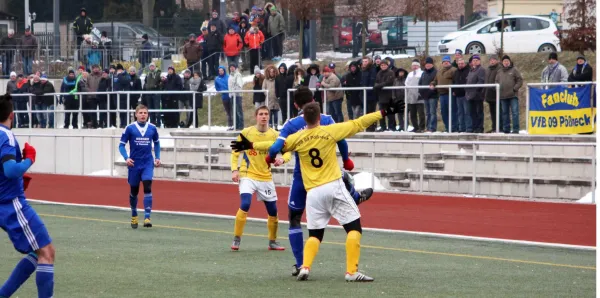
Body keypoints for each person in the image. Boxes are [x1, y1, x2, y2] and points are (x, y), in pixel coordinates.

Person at [231, 98, 399, 282]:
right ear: (319, 117)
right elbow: (359, 123)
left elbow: (275, 146)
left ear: (304, 119)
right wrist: (383, 112)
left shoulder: (297, 138)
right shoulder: (330, 131)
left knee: (315, 235)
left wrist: (254, 146)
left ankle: (305, 267)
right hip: (333, 186)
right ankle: (351, 271)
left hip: (313, 193)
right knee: (354, 228)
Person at [0, 93, 55, 298]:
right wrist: (29, 159)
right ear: (12, 115)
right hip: (11, 204)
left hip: (6, 201)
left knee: (37, 251)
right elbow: (11, 170)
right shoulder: (5, 135)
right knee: (46, 252)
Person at [230, 106, 291, 251]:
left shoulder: (276, 135)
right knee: (245, 203)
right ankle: (236, 239)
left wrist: (282, 160)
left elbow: (287, 152)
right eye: (261, 114)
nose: (264, 116)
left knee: (273, 211)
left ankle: (272, 241)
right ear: (256, 116)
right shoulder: (247, 132)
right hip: (248, 174)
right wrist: (234, 170)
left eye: (266, 114)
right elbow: (235, 151)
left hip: (265, 177)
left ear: (269, 117)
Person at [119, 105, 161, 229]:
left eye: (145, 113)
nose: (143, 115)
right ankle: (134, 214)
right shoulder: (130, 128)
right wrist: (126, 158)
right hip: (134, 164)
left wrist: (157, 157)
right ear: (136, 114)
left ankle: (147, 217)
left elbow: (157, 143)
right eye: (141, 113)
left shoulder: (152, 128)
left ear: (148, 115)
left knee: (148, 186)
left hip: (147, 163)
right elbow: (121, 145)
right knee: (134, 191)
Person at [495, 55, 523, 134]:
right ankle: (506, 129)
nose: (506, 62)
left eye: (507, 61)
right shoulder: (499, 71)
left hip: (513, 95)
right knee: (505, 113)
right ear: (502, 62)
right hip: (503, 96)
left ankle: (515, 129)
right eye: (504, 61)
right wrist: (498, 89)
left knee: (515, 112)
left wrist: (515, 88)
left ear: (509, 62)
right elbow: (496, 81)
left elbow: (520, 80)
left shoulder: (514, 70)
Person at [431, 55, 457, 132]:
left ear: (450, 62)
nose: (446, 63)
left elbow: (456, 81)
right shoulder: (439, 71)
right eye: (444, 62)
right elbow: (435, 80)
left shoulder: (454, 70)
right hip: (441, 95)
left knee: (452, 111)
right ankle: (447, 127)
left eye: (447, 61)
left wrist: (455, 90)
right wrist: (432, 84)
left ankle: (453, 127)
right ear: (442, 63)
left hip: (450, 94)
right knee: (444, 112)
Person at [374, 60, 396, 131]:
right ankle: (383, 127)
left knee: (390, 113)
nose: (383, 66)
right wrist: (378, 86)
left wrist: (379, 86)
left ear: (387, 65)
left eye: (384, 65)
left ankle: (392, 127)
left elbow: (388, 82)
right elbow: (376, 82)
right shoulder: (379, 73)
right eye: (382, 65)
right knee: (381, 113)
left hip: (389, 95)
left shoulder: (391, 72)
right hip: (381, 96)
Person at [405, 60, 425, 132]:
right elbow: (406, 83)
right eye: (413, 65)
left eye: (416, 65)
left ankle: (421, 127)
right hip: (411, 96)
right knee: (412, 114)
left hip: (419, 95)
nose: (414, 67)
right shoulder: (409, 74)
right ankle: (415, 127)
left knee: (421, 113)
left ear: (419, 66)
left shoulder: (422, 73)